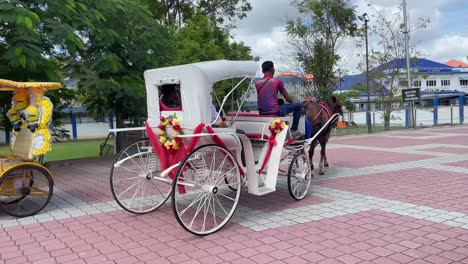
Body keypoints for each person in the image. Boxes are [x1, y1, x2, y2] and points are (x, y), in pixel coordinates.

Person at [255, 61, 302, 137]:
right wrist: (293, 102)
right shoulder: (277, 81)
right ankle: (294, 130)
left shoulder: (257, 83)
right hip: (276, 112)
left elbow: (265, 98)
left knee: (280, 103)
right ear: (273, 70)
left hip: (262, 112)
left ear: (263, 71)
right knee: (298, 105)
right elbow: (288, 99)